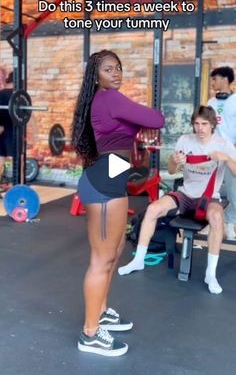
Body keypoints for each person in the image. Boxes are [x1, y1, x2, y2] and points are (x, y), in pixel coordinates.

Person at [71, 49, 165, 357]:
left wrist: (137, 127)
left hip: (109, 181)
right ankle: (90, 333)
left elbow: (130, 131)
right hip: (102, 187)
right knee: (102, 260)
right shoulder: (110, 98)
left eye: (118, 68)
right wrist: (143, 123)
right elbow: (157, 118)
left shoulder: (105, 102)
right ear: (96, 76)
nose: (116, 73)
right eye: (109, 69)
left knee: (114, 253)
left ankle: (102, 311)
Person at [118, 106, 236, 295]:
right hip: (186, 194)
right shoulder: (185, 140)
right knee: (153, 209)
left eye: (204, 124)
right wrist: (175, 160)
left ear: (212, 124)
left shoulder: (223, 144)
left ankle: (210, 274)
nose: (200, 128)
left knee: (216, 217)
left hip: (208, 197)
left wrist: (226, 158)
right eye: (196, 124)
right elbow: (172, 171)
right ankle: (138, 260)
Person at [208, 66, 236, 240]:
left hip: (232, 152)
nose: (213, 82)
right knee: (210, 189)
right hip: (213, 151)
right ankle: (208, 223)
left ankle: (229, 222)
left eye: (215, 79)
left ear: (225, 79)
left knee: (234, 191)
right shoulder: (211, 103)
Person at [0, 71, 14, 186]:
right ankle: (18, 187)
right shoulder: (19, 95)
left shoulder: (0, 93)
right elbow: (27, 114)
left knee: (0, 159)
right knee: (18, 159)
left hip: (1, 130)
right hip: (12, 131)